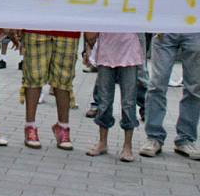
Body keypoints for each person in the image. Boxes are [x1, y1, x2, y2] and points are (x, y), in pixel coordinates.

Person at [15, 0, 80, 151]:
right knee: (33, 77)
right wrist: (17, 22)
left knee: (63, 80)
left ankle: (63, 126)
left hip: (68, 26)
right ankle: (30, 125)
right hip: (37, 24)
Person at [84, 31, 143, 162]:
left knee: (128, 101)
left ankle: (128, 146)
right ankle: (102, 142)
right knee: (104, 101)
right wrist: (87, 47)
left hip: (129, 49)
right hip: (106, 48)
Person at [140, 32, 200, 160]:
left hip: (195, 28)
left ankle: (186, 139)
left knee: (194, 88)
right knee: (157, 84)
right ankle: (153, 137)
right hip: (166, 29)